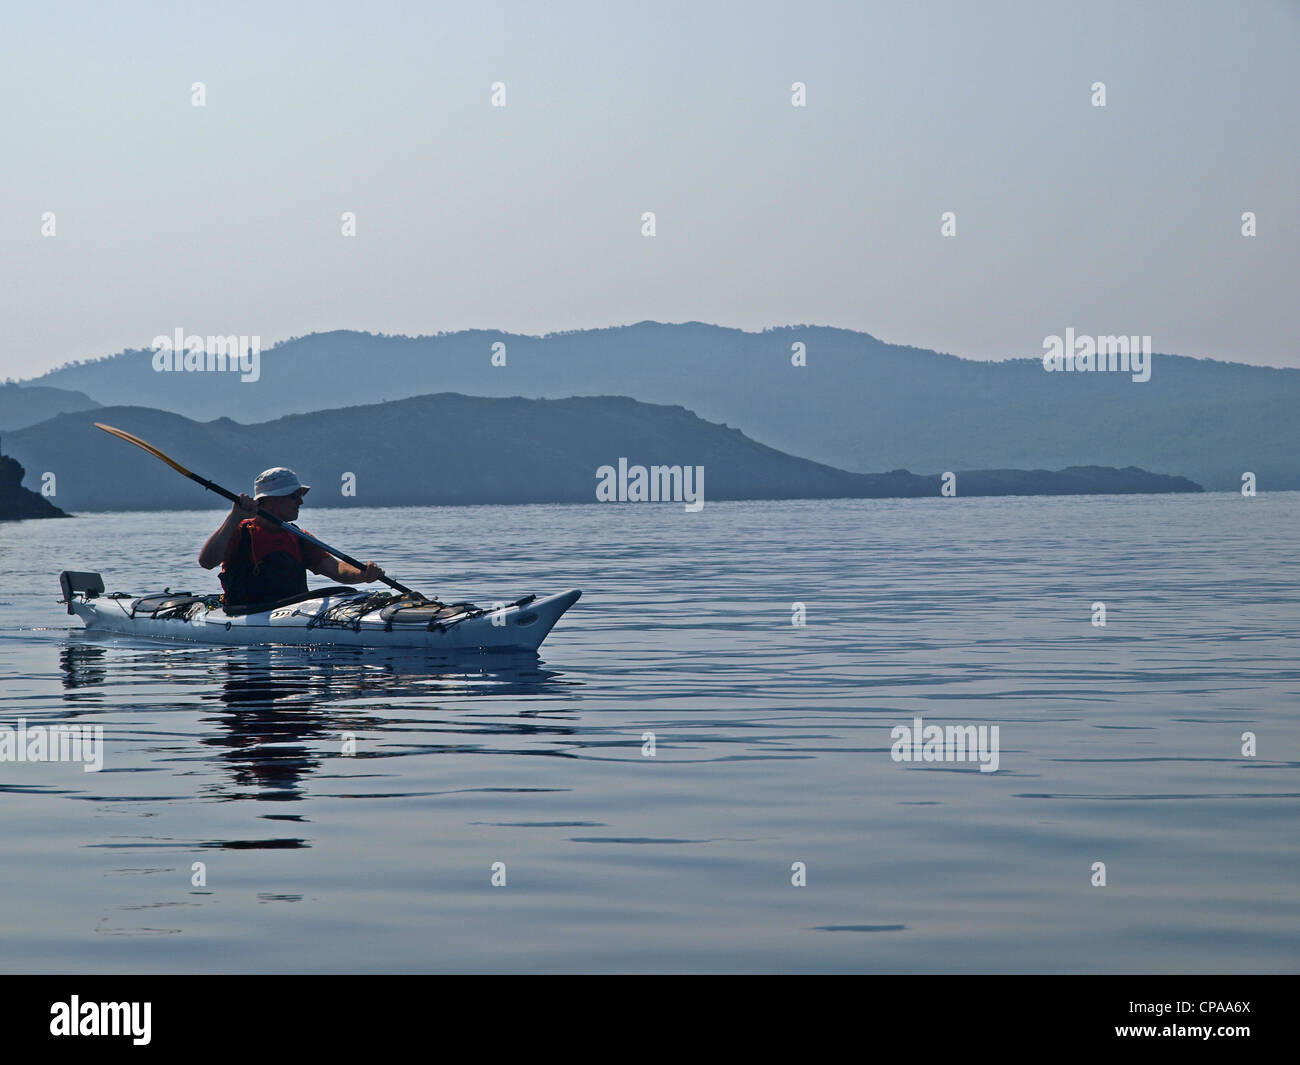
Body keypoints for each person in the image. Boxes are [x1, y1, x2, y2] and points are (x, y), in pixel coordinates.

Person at [199, 467, 383, 611]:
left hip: (293, 612)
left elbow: (335, 568)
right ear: (271, 500)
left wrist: (362, 574)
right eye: (294, 496)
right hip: (246, 612)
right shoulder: (240, 531)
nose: (300, 502)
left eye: (300, 495)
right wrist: (234, 517)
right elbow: (207, 561)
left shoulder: (299, 537)